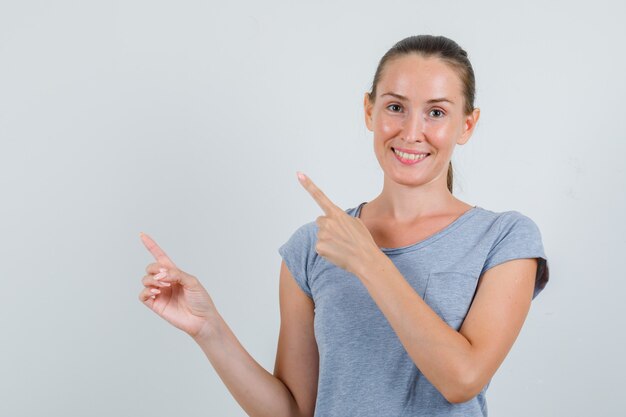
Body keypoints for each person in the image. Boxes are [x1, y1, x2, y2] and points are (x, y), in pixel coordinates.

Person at [138, 34, 549, 417]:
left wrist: (369, 261)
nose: (411, 132)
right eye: (395, 107)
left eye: (437, 112)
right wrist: (209, 328)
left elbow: (462, 379)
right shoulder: (313, 246)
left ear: (467, 125)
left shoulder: (505, 238)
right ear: (369, 111)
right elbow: (296, 410)